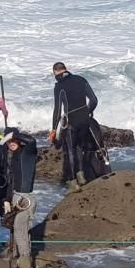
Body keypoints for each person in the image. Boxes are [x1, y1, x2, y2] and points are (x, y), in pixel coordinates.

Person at [49, 62, 101, 194]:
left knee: (70, 150)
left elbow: (57, 109)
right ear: (66, 69)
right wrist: (87, 112)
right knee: (79, 147)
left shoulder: (59, 86)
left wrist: (54, 129)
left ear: (55, 72)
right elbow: (94, 100)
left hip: (70, 122)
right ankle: (81, 176)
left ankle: (73, 183)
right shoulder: (81, 79)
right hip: (84, 120)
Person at [0, 128, 38, 268]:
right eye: (8, 142)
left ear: (18, 139)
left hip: (27, 199)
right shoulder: (13, 156)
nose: (10, 144)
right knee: (15, 230)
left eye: (12, 140)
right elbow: (12, 180)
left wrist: (14, 135)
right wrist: (7, 200)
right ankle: (19, 262)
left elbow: (32, 141)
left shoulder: (28, 152)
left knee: (20, 230)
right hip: (15, 197)